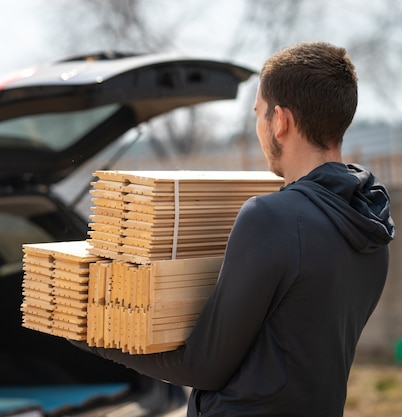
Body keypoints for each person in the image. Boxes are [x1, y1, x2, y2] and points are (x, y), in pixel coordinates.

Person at [71, 41, 396, 416]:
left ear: (281, 121)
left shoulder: (272, 217)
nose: (258, 128)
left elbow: (202, 367)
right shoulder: (372, 227)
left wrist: (91, 336)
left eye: (259, 114)